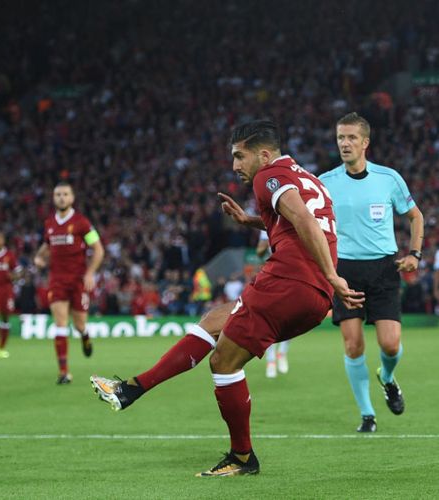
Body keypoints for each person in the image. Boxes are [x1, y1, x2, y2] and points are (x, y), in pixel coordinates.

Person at [91, 120, 363, 476]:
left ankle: (242, 457)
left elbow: (306, 223)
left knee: (223, 363)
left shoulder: (269, 177)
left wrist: (332, 274)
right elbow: (304, 223)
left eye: (239, 156)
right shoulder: (307, 178)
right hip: (310, 294)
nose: (235, 165)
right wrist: (253, 221)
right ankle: (132, 389)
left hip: (289, 281)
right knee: (215, 320)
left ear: (263, 155)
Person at [319, 112, 424, 433]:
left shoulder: (388, 178)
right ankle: (367, 415)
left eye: (351, 138)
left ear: (365, 142)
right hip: (345, 270)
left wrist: (415, 254)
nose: (345, 143)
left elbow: (416, 217)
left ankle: (387, 377)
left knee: (390, 345)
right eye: (340, 137)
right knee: (353, 346)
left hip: (383, 267)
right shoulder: (325, 182)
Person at [34, 181, 104, 384]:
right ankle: (63, 372)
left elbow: (98, 250)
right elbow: (46, 246)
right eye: (58, 194)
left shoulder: (82, 223)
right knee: (60, 324)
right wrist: (39, 258)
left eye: (65, 194)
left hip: (78, 281)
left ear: (72, 198)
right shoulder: (49, 224)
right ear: (53, 198)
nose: (61, 198)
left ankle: (85, 335)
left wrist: (90, 273)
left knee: (79, 324)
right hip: (57, 281)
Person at [257, 230, 290, 378]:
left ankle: (282, 352)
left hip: (293, 274)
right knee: (269, 320)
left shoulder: (294, 218)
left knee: (292, 317)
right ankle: (271, 361)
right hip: (273, 274)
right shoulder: (266, 223)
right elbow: (259, 252)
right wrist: (265, 246)